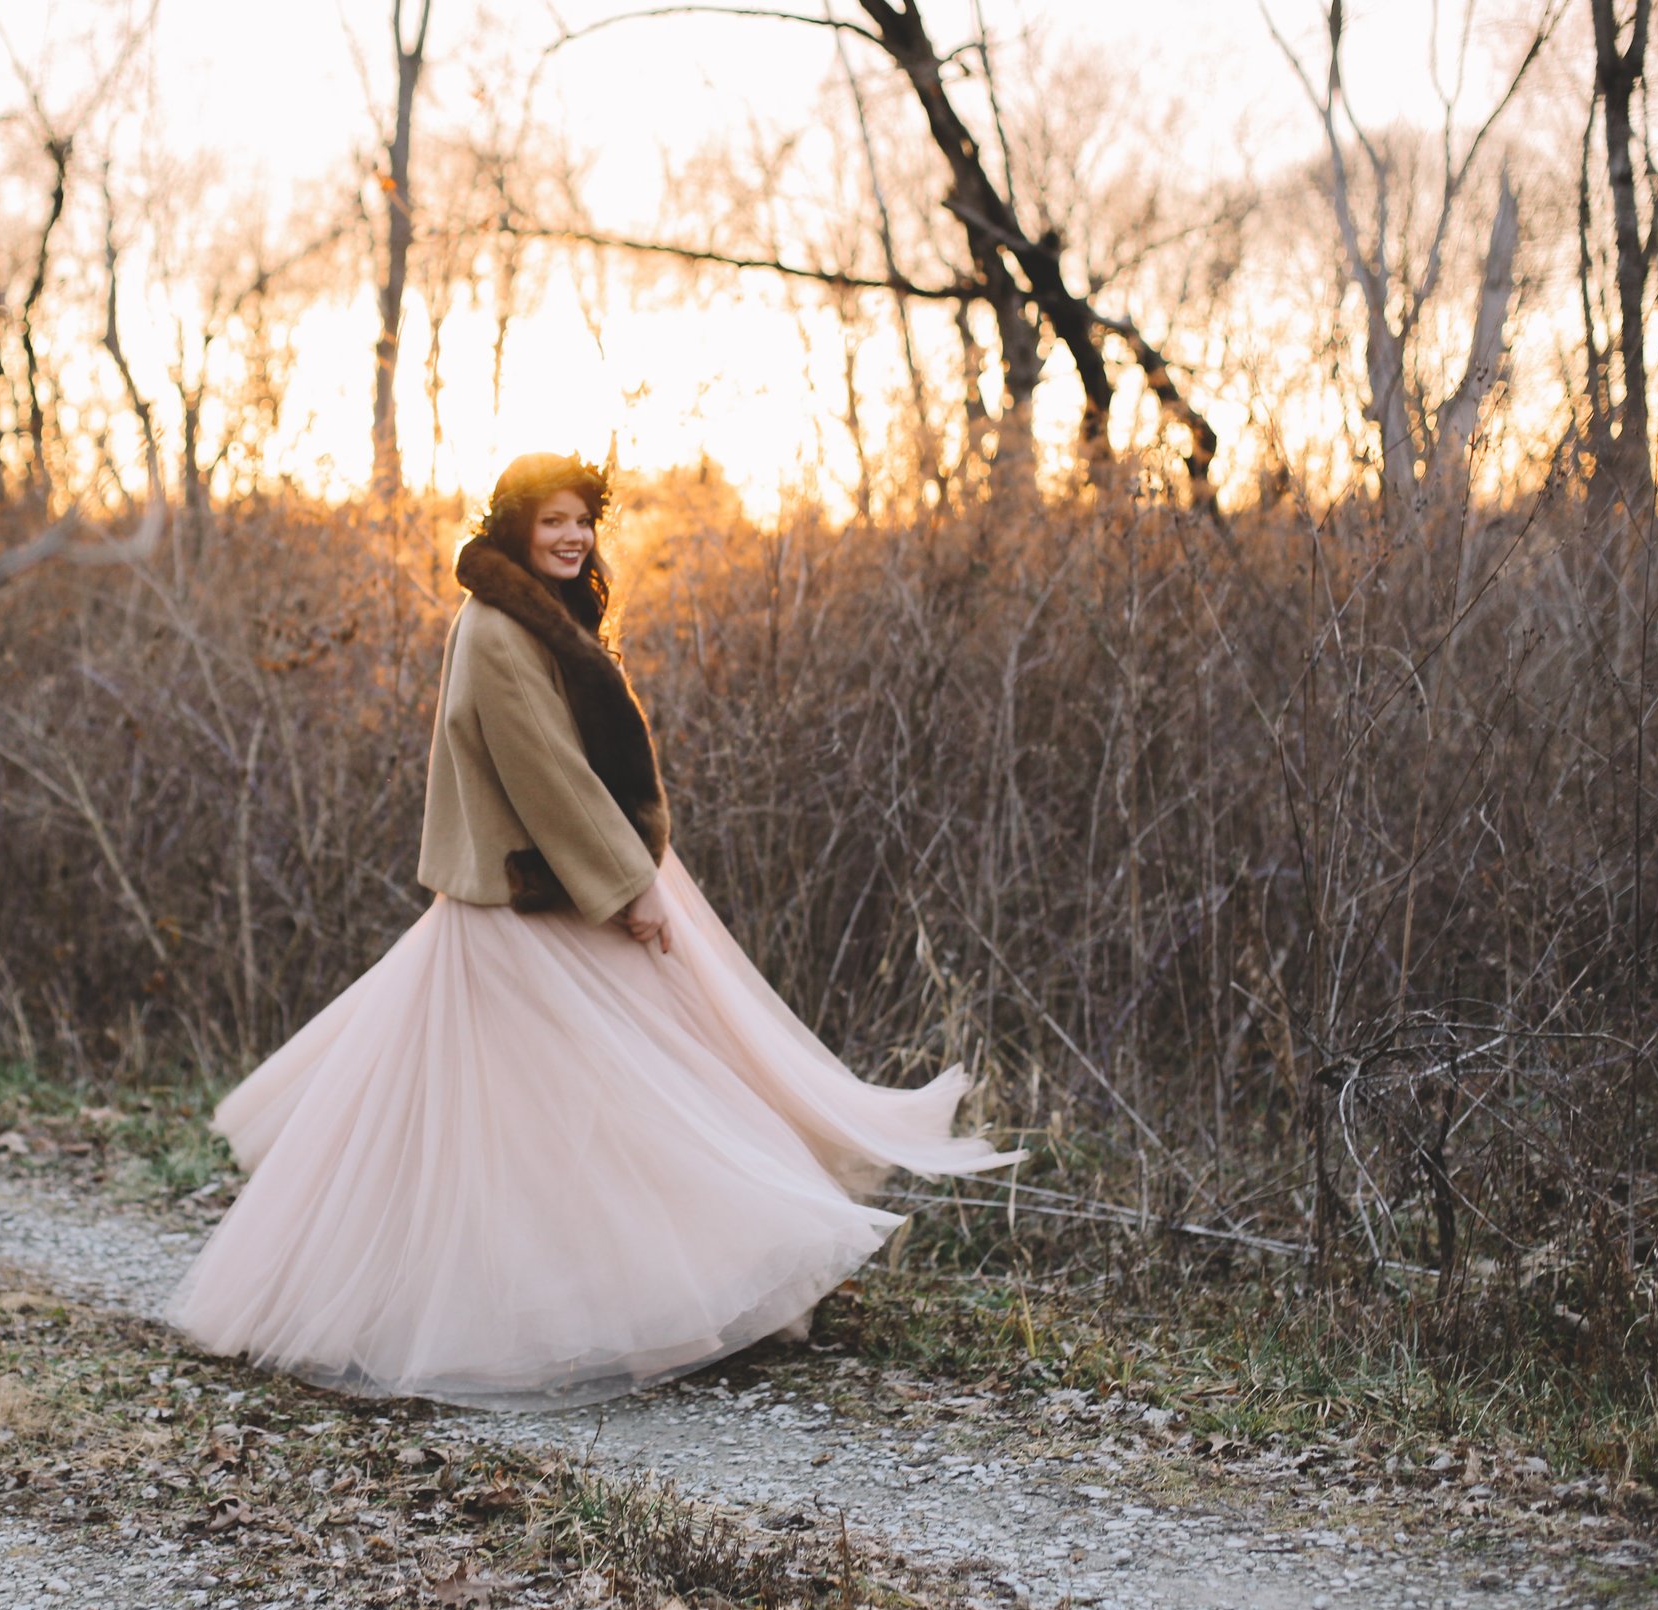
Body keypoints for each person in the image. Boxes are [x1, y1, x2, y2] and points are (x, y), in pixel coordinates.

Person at [163, 451, 1019, 1410]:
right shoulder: (495, 626)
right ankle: (603, 1304)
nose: (571, 537)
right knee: (598, 1093)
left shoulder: (539, 615)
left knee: (582, 1098)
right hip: (528, 900)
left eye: (582, 521)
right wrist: (629, 887)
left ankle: (672, 1289)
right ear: (517, 529)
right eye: (553, 522)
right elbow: (547, 775)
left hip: (545, 890)